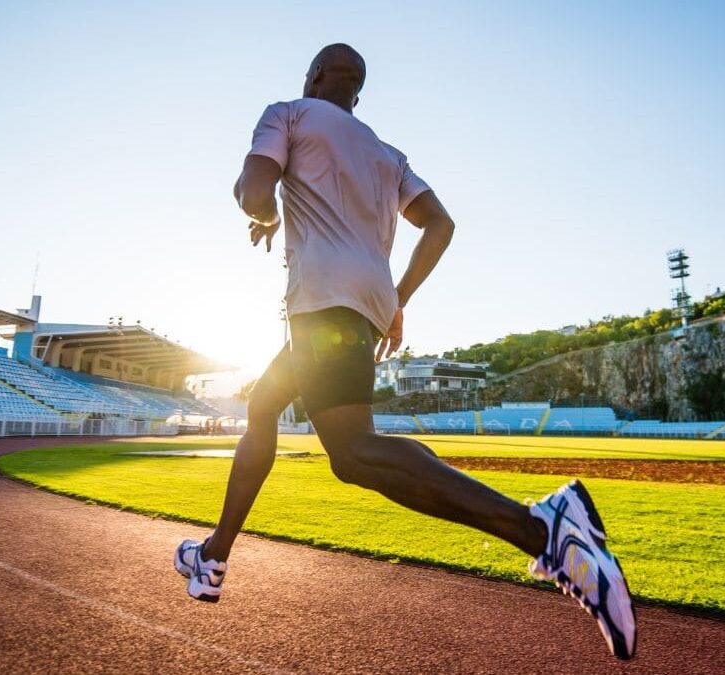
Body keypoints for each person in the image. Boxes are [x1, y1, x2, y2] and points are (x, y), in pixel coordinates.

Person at [175, 44, 636, 659]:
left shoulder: (286, 114)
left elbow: (253, 190)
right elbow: (440, 224)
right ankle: (213, 558)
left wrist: (261, 211)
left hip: (322, 303)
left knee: (354, 453)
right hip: (360, 306)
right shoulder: (388, 155)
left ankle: (544, 529)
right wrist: (398, 298)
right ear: (357, 92)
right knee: (264, 409)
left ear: (312, 77)